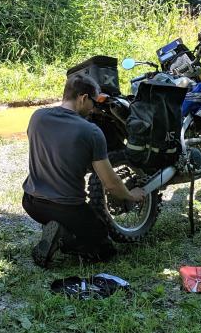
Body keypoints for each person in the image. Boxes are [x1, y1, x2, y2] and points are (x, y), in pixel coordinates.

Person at [22, 74, 146, 267]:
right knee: (105, 250)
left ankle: (60, 228)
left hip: (31, 203)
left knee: (73, 221)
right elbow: (111, 184)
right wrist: (131, 195)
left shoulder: (37, 117)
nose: (94, 109)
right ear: (83, 98)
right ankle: (66, 237)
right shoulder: (91, 131)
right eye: (94, 103)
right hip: (67, 208)